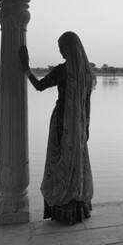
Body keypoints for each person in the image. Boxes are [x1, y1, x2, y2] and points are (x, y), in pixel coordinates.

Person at [19, 32, 94, 225]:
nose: (60, 51)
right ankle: (77, 209)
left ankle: (61, 208)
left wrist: (26, 68)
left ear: (69, 48)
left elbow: (40, 85)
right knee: (75, 166)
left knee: (59, 165)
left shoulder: (62, 71)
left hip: (62, 125)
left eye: (61, 47)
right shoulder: (86, 73)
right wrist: (86, 128)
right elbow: (87, 104)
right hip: (78, 127)